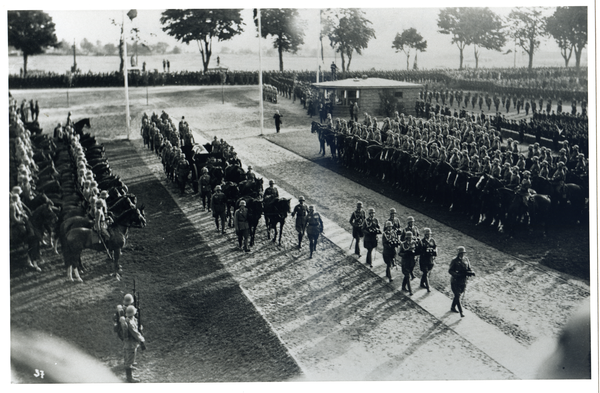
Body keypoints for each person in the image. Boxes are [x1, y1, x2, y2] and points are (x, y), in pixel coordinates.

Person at [448, 246, 475, 317]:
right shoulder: (454, 260)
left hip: (463, 281)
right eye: (461, 253)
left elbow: (469, 268)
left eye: (463, 253)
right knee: (458, 295)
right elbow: (450, 270)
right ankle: (461, 312)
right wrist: (456, 275)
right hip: (455, 281)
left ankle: (453, 307)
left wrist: (471, 272)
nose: (462, 254)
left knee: (458, 295)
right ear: (458, 253)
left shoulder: (466, 259)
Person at [122, 305, 146, 382]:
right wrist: (142, 340)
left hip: (128, 343)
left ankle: (130, 375)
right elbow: (135, 333)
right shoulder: (130, 323)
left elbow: (135, 323)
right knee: (129, 361)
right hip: (131, 345)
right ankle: (129, 378)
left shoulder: (128, 320)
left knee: (129, 359)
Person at [399, 231, 418, 295]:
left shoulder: (414, 243)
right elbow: (399, 253)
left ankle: (403, 286)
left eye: (411, 238)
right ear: (406, 238)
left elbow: (416, 251)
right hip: (405, 262)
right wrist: (405, 254)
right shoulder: (403, 244)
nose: (410, 239)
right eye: (409, 238)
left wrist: (415, 256)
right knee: (407, 276)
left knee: (407, 275)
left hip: (411, 262)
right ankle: (410, 291)